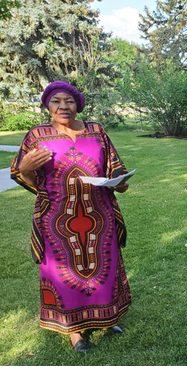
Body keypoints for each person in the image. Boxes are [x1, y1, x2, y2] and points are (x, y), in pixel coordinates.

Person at [10, 81, 132, 352]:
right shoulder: (36, 136)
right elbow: (25, 177)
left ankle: (106, 318)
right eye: (56, 101)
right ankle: (75, 332)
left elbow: (114, 165)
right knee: (64, 274)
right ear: (47, 106)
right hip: (57, 219)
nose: (63, 107)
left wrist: (120, 181)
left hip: (100, 215)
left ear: (78, 105)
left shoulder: (96, 131)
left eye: (69, 101)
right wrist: (26, 168)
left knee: (104, 268)